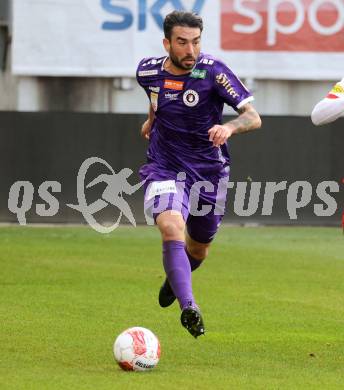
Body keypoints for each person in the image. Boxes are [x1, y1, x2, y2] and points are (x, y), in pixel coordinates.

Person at [136, 10, 261, 338]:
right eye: (182, 42)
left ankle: (175, 278)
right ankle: (189, 306)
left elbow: (253, 116)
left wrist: (229, 127)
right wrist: (152, 121)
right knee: (170, 225)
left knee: (199, 249)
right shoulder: (147, 71)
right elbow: (156, 97)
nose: (190, 50)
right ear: (167, 43)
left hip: (209, 173)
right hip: (165, 166)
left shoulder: (213, 72)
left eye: (195, 41)